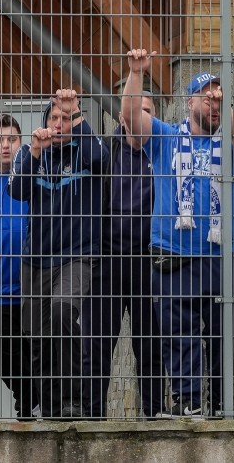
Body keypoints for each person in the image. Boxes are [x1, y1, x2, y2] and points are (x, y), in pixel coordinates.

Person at [123, 50, 234, 418]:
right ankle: (188, 401)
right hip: (173, 253)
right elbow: (131, 118)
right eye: (207, 96)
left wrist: (226, 107)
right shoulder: (166, 137)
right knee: (177, 333)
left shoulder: (229, 144)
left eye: (218, 96)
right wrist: (136, 73)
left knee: (224, 328)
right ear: (189, 102)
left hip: (221, 255)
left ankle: (220, 402)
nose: (213, 101)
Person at [9, 89, 110, 419]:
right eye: (54, 118)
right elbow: (18, 191)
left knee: (63, 312)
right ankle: (51, 409)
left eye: (65, 119)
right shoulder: (29, 154)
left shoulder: (87, 149)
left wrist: (76, 112)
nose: (59, 124)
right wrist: (35, 153)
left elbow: (101, 160)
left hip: (77, 255)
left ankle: (73, 399)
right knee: (38, 338)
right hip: (36, 260)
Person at [83, 89, 163, 419]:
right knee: (96, 346)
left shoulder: (163, 152)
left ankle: (155, 417)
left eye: (148, 112)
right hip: (107, 260)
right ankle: (91, 419)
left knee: (151, 346)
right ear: (122, 116)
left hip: (149, 261)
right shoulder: (105, 150)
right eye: (135, 110)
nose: (141, 117)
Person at [0, 114, 35, 420]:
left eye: (12, 139)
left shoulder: (29, 175)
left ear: (20, 142)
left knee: (34, 353)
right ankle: (30, 400)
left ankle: (28, 410)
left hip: (30, 287)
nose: (5, 145)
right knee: (2, 357)